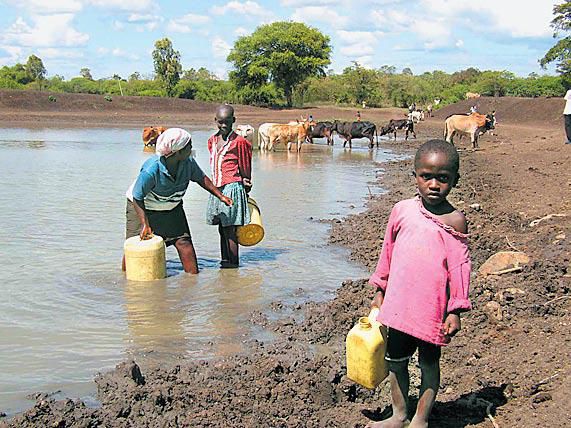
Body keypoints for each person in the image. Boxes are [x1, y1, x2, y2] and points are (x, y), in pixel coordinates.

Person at [366, 140, 471, 428]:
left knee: (428, 363)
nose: (434, 185)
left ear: (455, 180)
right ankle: (399, 414)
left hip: (432, 310)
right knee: (395, 361)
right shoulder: (401, 210)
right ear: (415, 176)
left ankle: (420, 419)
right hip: (400, 305)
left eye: (443, 178)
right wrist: (380, 289)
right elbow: (387, 251)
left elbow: (460, 269)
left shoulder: (455, 220)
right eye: (427, 176)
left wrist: (455, 310)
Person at [124, 128, 232, 274]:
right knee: (136, 247)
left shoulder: (188, 163)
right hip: (143, 208)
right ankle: (126, 280)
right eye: (189, 146)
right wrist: (145, 224)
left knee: (183, 241)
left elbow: (201, 178)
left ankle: (193, 281)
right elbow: (137, 196)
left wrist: (220, 195)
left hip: (172, 207)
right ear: (178, 152)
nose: (191, 148)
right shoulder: (152, 169)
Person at [206, 104, 253, 268]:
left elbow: (246, 167)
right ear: (215, 121)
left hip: (232, 188)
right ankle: (224, 262)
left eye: (227, 122)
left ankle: (233, 265)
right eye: (220, 122)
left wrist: (246, 186)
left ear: (233, 121)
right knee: (221, 228)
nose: (224, 126)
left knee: (230, 230)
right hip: (216, 188)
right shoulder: (212, 141)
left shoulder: (240, 142)